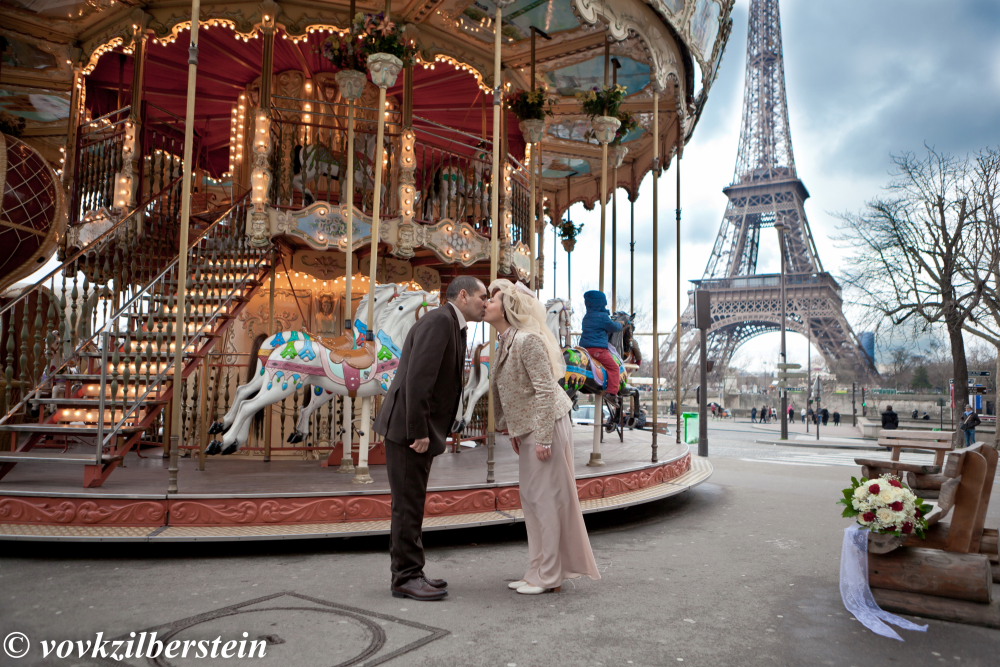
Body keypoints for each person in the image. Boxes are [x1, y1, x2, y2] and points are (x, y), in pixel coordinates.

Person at [373, 275, 488, 601]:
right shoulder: (440, 322)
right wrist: (418, 431)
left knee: (411, 503)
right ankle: (406, 578)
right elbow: (418, 379)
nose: (485, 302)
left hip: (413, 428)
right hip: (410, 432)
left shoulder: (449, 322)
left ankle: (412, 572)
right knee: (408, 506)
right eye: (482, 296)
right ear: (463, 295)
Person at [486, 279, 601, 595]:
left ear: (508, 307)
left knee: (545, 500)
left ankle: (549, 575)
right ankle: (537, 569)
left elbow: (545, 390)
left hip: (546, 423)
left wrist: (543, 437)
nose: (486, 303)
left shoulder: (528, 340)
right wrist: (514, 428)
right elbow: (515, 393)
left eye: (492, 299)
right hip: (531, 426)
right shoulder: (508, 341)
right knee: (533, 500)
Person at [579, 290, 623, 396]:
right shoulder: (602, 317)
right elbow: (613, 327)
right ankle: (612, 393)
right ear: (601, 303)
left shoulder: (587, 317)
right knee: (614, 368)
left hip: (584, 349)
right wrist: (621, 324)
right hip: (598, 349)